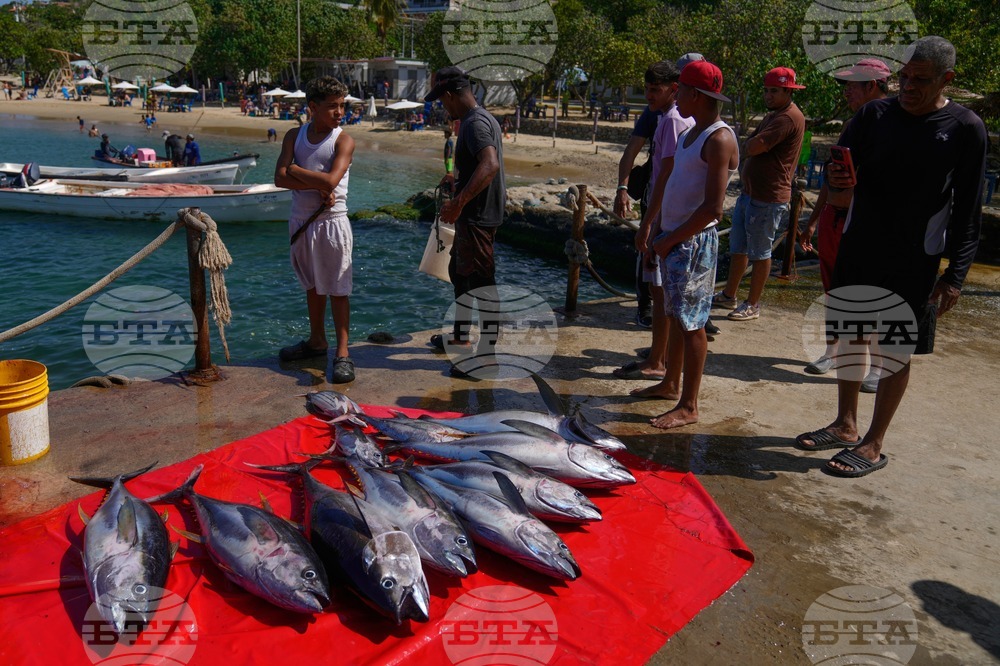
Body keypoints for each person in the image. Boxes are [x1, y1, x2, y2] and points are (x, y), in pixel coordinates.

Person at [795, 36, 987, 477]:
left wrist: (954, 275)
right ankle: (845, 424)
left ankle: (873, 442)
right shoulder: (873, 114)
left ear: (946, 79)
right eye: (903, 77)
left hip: (915, 256)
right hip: (860, 244)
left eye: (920, 80)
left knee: (894, 349)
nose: (909, 87)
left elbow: (968, 209)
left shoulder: (964, 128)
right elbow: (842, 172)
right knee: (848, 334)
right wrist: (838, 174)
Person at [645, 60, 739, 429]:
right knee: (675, 315)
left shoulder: (718, 137)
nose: (675, 95)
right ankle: (670, 384)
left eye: (680, 89)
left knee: (693, 324)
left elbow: (712, 209)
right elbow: (674, 184)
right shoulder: (690, 133)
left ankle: (689, 404)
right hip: (674, 239)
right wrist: (658, 227)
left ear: (696, 95)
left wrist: (671, 237)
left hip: (693, 242)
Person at [800, 58, 890, 389]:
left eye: (853, 85)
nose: (848, 91)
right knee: (835, 288)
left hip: (869, 222)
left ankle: (878, 366)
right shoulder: (853, 123)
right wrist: (812, 220)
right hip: (835, 217)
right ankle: (833, 350)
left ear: (873, 85)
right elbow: (833, 176)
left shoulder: (896, 124)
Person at [613, 58, 695, 387]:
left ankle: (659, 362)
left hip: (666, 216)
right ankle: (656, 357)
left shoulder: (673, 121)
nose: (649, 95)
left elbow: (667, 177)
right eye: (646, 89)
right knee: (657, 289)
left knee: (662, 292)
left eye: (655, 90)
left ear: (673, 90)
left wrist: (650, 223)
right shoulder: (667, 118)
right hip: (665, 214)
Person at [274, 76, 357, 383]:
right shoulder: (294, 135)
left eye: (342, 105)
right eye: (332, 106)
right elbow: (278, 179)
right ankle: (317, 341)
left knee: (338, 288)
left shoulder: (343, 140)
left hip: (331, 223)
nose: (339, 112)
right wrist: (314, 181)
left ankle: (343, 352)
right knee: (311, 284)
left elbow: (330, 181)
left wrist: (295, 169)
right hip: (301, 222)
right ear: (312, 107)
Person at [425, 66, 506, 380]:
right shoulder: (480, 119)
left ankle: (486, 357)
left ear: (449, 95)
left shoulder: (474, 124)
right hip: (475, 213)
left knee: (482, 284)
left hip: (478, 216)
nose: (443, 107)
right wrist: (456, 182)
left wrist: (458, 203)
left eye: (442, 101)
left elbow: (490, 164)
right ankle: (459, 334)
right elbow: (479, 167)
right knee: (458, 273)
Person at [714, 66, 806, 321]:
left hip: (768, 197)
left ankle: (753, 304)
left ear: (788, 91)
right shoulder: (775, 114)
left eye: (774, 91)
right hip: (751, 193)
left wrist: (748, 146)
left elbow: (754, 145)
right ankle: (729, 295)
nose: (768, 95)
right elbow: (750, 143)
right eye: (766, 90)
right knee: (739, 248)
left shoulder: (787, 117)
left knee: (760, 252)